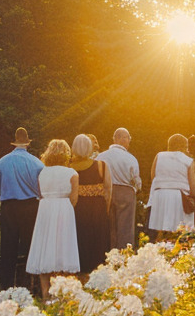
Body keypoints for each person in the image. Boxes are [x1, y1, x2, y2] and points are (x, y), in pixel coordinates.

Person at [26, 139, 79, 296]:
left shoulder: (42, 173)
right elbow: (74, 200)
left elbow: (40, 193)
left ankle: (45, 296)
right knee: (63, 250)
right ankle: (62, 295)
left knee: (45, 250)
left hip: (46, 210)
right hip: (64, 210)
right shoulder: (72, 173)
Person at [0, 127, 44, 291]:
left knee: (8, 247)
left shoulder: (2, 162)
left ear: (14, 142)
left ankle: (7, 285)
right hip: (30, 206)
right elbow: (41, 187)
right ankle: (30, 284)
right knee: (31, 246)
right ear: (28, 143)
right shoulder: (37, 163)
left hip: (9, 206)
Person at [71, 134, 112, 273]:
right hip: (98, 206)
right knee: (98, 240)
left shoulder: (69, 166)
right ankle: (97, 272)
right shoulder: (101, 165)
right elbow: (108, 189)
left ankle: (80, 271)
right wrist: (106, 208)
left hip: (78, 207)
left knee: (80, 238)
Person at [96, 127, 140, 250]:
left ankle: (107, 253)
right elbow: (136, 181)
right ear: (123, 139)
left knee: (108, 225)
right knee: (125, 226)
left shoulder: (100, 156)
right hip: (126, 193)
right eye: (128, 138)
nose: (129, 142)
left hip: (105, 191)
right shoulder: (131, 158)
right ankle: (124, 254)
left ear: (114, 139)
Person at [149, 134, 195, 237]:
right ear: (184, 146)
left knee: (160, 232)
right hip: (179, 197)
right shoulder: (189, 161)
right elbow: (193, 187)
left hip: (159, 196)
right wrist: (194, 199)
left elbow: (153, 176)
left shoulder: (159, 156)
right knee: (180, 234)